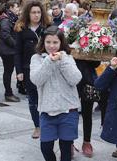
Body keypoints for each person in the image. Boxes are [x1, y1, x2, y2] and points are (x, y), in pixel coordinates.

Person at [30, 26, 82, 161]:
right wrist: (49, 61)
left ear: (61, 43)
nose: (51, 46)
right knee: (45, 147)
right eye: (48, 42)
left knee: (66, 149)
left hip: (68, 110)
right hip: (47, 111)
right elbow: (37, 80)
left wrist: (62, 60)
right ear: (43, 42)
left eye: (55, 42)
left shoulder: (68, 58)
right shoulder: (36, 58)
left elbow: (75, 79)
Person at [15, 0, 50, 139]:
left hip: (46, 67)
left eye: (38, 12)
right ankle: (37, 126)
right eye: (33, 12)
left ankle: (47, 125)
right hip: (28, 69)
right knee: (33, 100)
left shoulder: (47, 28)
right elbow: (17, 51)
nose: (36, 15)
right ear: (28, 14)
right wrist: (19, 71)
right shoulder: (21, 30)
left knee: (47, 98)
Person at [0, 1, 21, 102]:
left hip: (9, 50)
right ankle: (8, 93)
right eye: (16, 7)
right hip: (7, 51)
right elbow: (5, 35)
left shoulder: (12, 18)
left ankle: (16, 89)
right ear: (11, 8)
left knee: (10, 71)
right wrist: (16, 45)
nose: (18, 9)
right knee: (8, 71)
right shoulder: (6, 20)